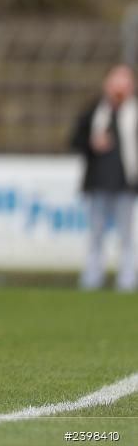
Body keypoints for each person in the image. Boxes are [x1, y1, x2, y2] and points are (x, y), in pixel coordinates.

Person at [70, 64, 138, 292]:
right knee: (95, 234)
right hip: (97, 183)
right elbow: (74, 142)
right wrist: (92, 143)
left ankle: (127, 279)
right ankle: (92, 277)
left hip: (125, 185)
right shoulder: (93, 113)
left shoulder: (134, 114)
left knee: (126, 236)